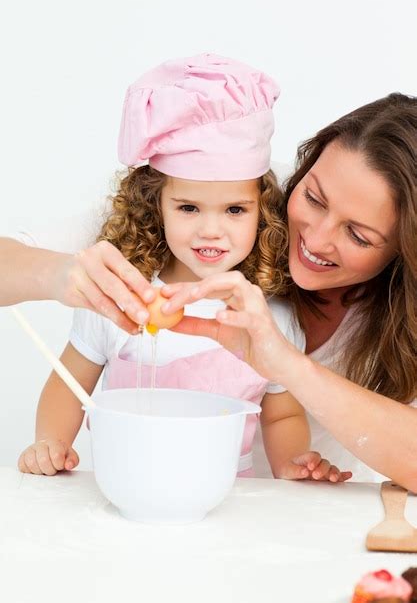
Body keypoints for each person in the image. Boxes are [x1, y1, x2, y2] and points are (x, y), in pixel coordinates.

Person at [17, 54, 350, 482]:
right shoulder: (119, 298)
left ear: (261, 210)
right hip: (127, 485)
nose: (211, 231)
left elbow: (282, 414)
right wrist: (51, 442)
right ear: (157, 205)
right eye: (189, 207)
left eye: (234, 209)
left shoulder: (271, 317)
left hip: (230, 503)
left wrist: (292, 463)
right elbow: (68, 383)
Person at [160, 92, 417, 488]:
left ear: (404, 252)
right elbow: (26, 260)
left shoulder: (405, 319)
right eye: (313, 198)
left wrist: (285, 363)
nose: (316, 239)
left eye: (358, 235)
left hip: (305, 527)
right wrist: (65, 277)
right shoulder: (233, 197)